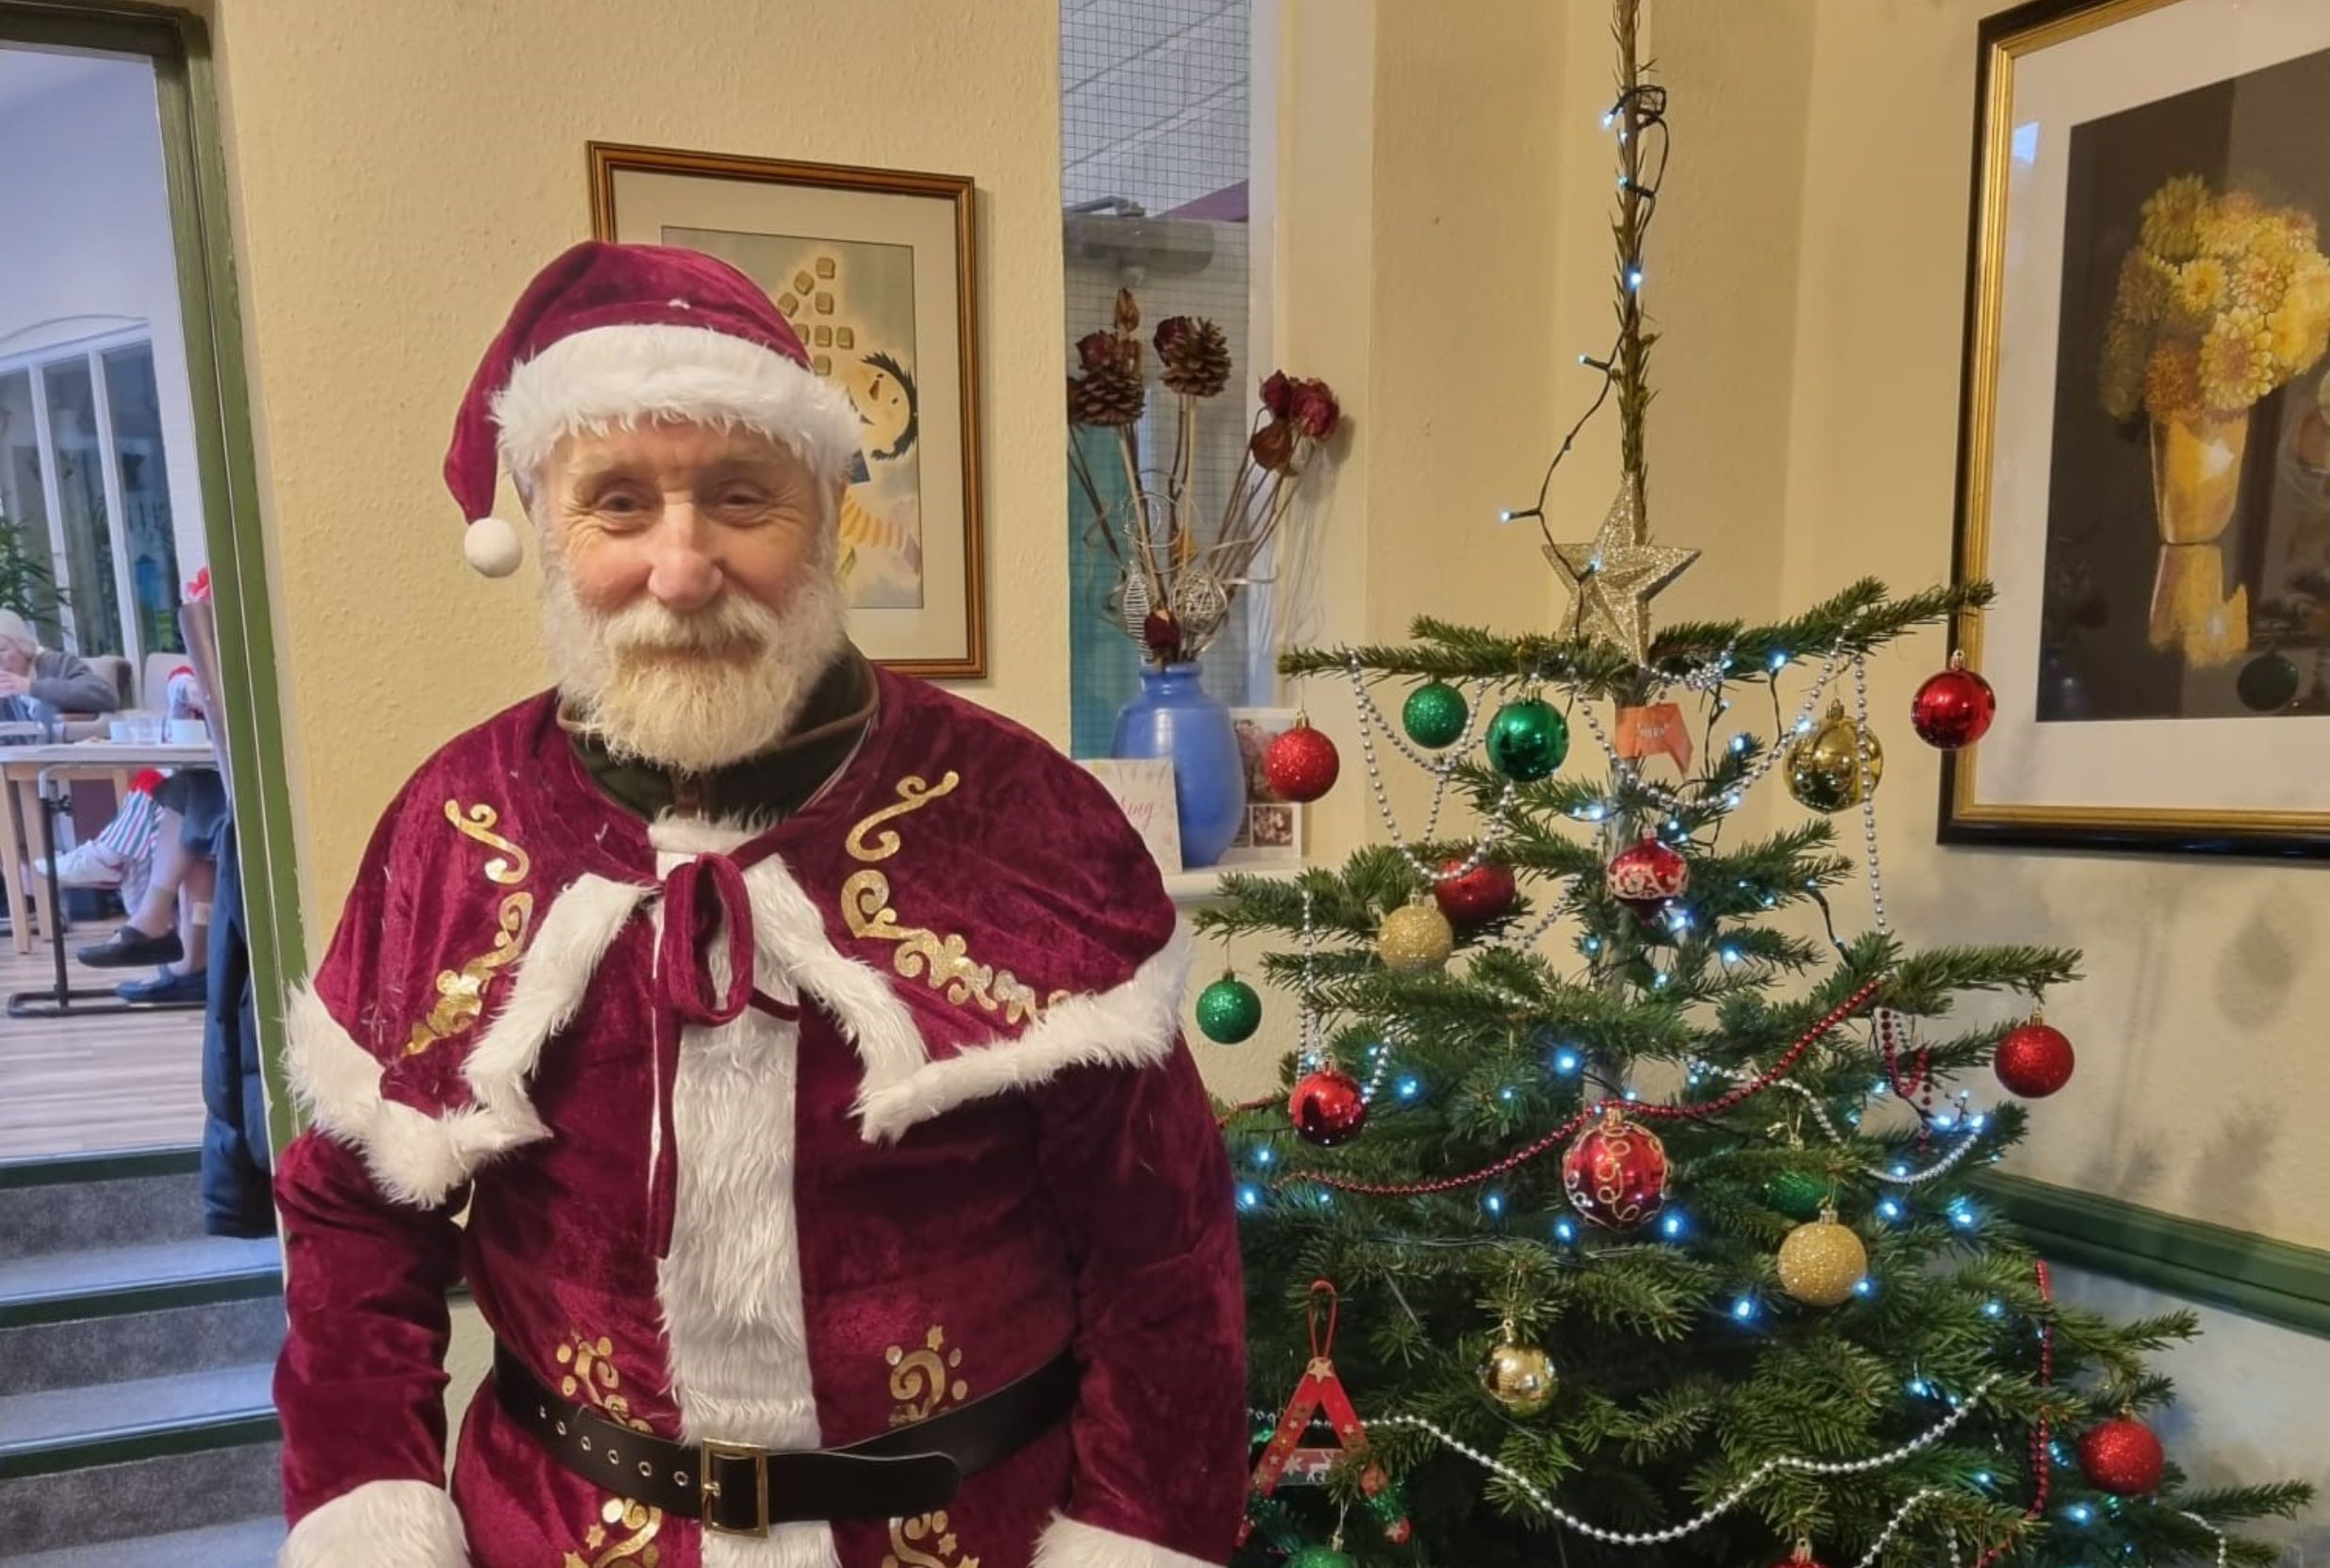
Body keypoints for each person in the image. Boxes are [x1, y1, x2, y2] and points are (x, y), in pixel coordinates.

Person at [273, 243, 1243, 1568]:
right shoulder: (457, 822)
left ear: (827, 513)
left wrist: (1138, 1533)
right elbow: (350, 1220)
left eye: (742, 498)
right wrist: (369, 1504)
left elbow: (1163, 1259)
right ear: (547, 527)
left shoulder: (1022, 814)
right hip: (555, 1534)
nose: (683, 568)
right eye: (618, 504)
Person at [0, 609, 120, 730]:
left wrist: (31, 687)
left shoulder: (54, 663)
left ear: (23, 647)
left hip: (62, 745)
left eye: (2, 649)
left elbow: (105, 696)